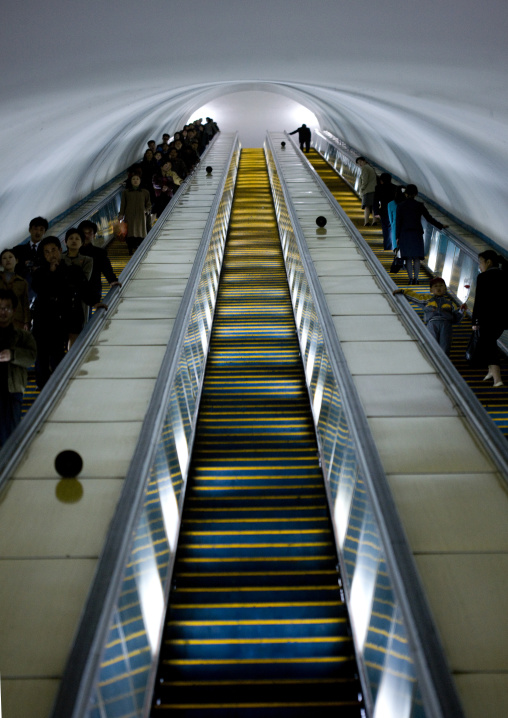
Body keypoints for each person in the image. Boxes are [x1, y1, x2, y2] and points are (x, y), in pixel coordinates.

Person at [31, 236, 95, 388]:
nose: (51, 254)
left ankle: (58, 387)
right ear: (43, 256)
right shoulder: (39, 273)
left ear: (60, 250)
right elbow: (39, 289)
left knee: (57, 356)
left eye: (53, 250)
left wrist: (96, 302)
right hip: (42, 322)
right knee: (41, 358)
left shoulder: (71, 270)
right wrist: (51, 272)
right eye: (47, 252)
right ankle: (43, 389)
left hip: (60, 322)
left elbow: (83, 288)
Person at [0, 289, 37, 447]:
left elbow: (31, 357)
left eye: (7, 308)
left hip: (13, 391)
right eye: (0, 307)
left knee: (12, 436)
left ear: (14, 310)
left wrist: (13, 355)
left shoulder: (23, 336)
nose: (3, 312)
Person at [393, 276, 466, 355]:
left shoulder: (450, 303)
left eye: (441, 286)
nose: (438, 288)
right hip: (431, 323)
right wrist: (403, 291)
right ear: (431, 290)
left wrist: (462, 310)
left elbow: (456, 319)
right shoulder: (427, 300)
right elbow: (415, 297)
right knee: (432, 344)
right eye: (435, 286)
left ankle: (443, 363)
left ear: (445, 288)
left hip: (446, 324)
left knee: (445, 346)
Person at [396, 184, 447, 285]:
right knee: (416, 257)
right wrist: (441, 226)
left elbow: (398, 223)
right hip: (416, 233)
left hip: (405, 234)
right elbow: (429, 218)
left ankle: (410, 279)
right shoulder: (419, 205)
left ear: (405, 194)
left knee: (408, 258)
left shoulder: (401, 206)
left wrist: (397, 237)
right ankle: (416, 279)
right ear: (416, 194)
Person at [471, 250, 508, 387]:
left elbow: (479, 301)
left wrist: (475, 321)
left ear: (488, 262)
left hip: (488, 318)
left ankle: (497, 379)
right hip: (503, 317)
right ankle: (491, 371)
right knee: (489, 343)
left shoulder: (483, 277)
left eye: (480, 262)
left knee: (490, 345)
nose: (479, 265)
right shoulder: (505, 274)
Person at [78, 220, 121, 307]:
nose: (86, 235)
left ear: (94, 235)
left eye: (89, 232)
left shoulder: (99, 253)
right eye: (83, 233)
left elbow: (106, 268)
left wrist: (112, 280)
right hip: (75, 293)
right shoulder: (71, 253)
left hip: (92, 293)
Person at [14, 216, 49, 301]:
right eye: (35, 229)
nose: (38, 232)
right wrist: (23, 264)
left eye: (41, 229)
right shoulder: (18, 250)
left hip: (42, 293)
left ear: (45, 232)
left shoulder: (48, 252)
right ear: (30, 230)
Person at [119, 172, 152, 255]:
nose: (135, 181)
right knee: (130, 233)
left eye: (137, 179)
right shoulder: (126, 192)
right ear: (130, 181)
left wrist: (147, 211)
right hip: (129, 216)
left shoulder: (145, 192)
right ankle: (130, 249)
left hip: (141, 216)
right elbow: (123, 205)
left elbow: (148, 204)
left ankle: (140, 249)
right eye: (133, 179)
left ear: (140, 181)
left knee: (141, 232)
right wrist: (121, 214)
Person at [0, 249, 30, 330]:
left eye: (10, 257)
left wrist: (26, 322)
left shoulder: (22, 282)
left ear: (16, 260)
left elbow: (25, 303)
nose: (8, 260)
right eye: (4, 258)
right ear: (1, 263)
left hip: (17, 321)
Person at [373, 173, 396, 249]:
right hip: (394, 210)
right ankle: (393, 245)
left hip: (384, 211)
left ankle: (388, 246)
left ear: (381, 180)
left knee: (386, 229)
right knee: (393, 228)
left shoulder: (378, 188)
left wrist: (376, 212)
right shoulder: (395, 188)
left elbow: (376, 200)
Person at [355, 157, 377, 226]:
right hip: (373, 190)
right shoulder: (370, 167)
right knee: (373, 206)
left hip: (367, 190)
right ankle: (374, 221)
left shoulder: (365, 168)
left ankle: (366, 222)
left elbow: (365, 180)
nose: (360, 164)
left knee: (367, 207)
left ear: (364, 161)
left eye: (360, 162)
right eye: (358, 163)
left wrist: (361, 189)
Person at [387, 186, 406, 251]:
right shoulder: (406, 204)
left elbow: (390, 219)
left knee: (396, 246)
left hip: (395, 226)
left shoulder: (390, 204)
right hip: (405, 226)